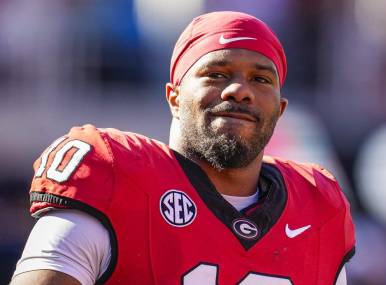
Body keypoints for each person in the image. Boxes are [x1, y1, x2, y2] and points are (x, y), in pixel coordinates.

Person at [11, 11, 355, 285]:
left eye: (261, 79)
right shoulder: (113, 173)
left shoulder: (318, 206)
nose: (239, 90)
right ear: (174, 98)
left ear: (279, 110)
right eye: (217, 73)